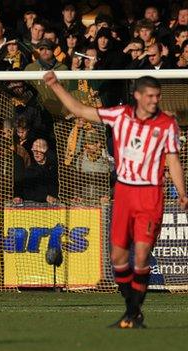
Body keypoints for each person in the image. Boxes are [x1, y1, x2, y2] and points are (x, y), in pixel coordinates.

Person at [44, 71, 188, 328]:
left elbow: (173, 160)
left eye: (158, 96)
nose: (155, 101)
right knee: (118, 258)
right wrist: (55, 86)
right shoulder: (119, 116)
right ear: (137, 96)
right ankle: (132, 309)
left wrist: (182, 192)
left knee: (142, 255)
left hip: (150, 194)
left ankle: (132, 313)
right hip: (123, 193)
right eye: (150, 96)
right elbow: (80, 109)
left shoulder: (167, 124)